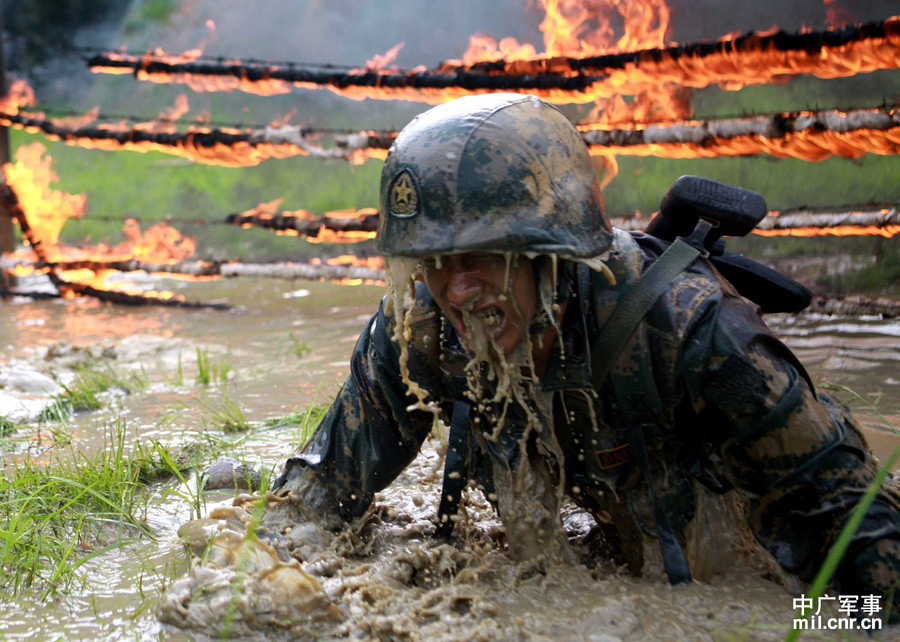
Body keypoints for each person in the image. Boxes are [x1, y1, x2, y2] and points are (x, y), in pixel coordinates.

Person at [271, 93, 900, 610]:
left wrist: (764, 623)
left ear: (551, 254)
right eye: (433, 262)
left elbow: (873, 567)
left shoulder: (698, 335)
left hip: (743, 545)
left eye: (485, 257)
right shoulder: (422, 330)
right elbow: (322, 488)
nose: (458, 290)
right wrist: (254, 574)